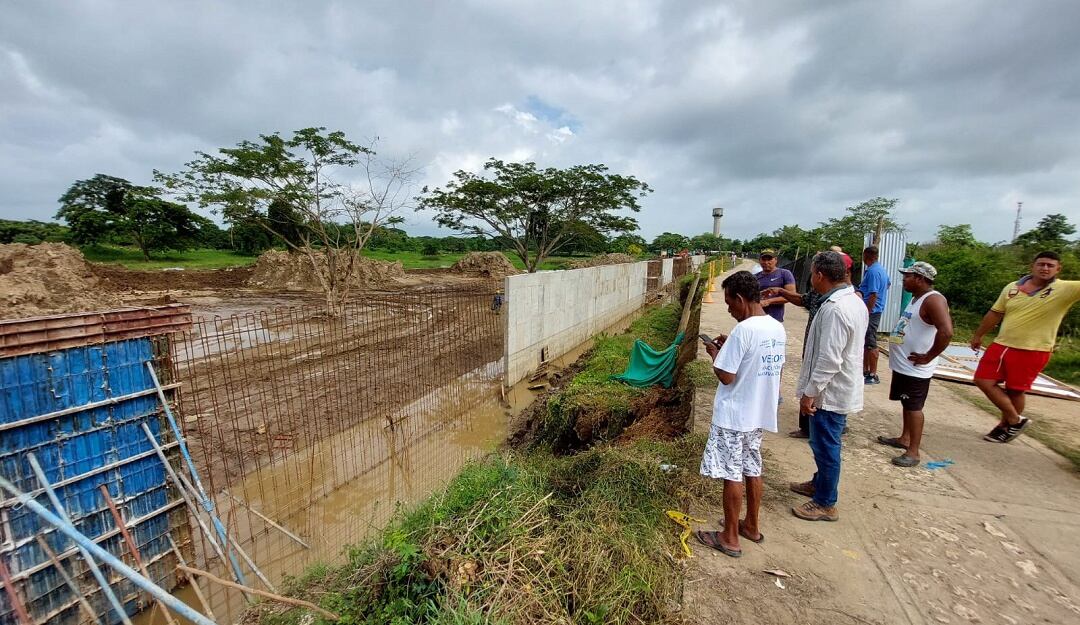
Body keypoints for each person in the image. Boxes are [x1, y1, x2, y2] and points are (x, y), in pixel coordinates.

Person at [696, 271, 787, 557]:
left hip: (735, 415)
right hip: (757, 413)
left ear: (739, 298)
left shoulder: (743, 331)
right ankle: (751, 526)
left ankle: (730, 537)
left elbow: (725, 375)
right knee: (752, 467)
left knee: (731, 473)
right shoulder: (775, 327)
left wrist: (714, 352)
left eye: (729, 303)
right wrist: (729, 350)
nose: (728, 309)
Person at [790, 251, 868, 522]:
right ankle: (819, 483)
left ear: (819, 275)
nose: (811, 278)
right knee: (823, 442)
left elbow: (829, 359)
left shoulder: (836, 308)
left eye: (812, 273)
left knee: (826, 445)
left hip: (830, 391)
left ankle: (825, 502)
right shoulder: (852, 301)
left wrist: (810, 393)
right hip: (837, 386)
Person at [970, 251, 1080, 443]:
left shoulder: (1065, 289)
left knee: (1015, 390)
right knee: (982, 380)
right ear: (1033, 266)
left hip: (1033, 349)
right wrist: (979, 335)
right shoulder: (1013, 287)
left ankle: (1005, 427)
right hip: (1002, 344)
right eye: (1041, 264)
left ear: (1057, 269)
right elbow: (995, 313)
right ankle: (1015, 420)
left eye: (1050, 265)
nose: (1045, 268)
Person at [876, 262, 953, 467]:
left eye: (908, 276)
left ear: (920, 278)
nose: (904, 280)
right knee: (906, 403)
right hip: (904, 365)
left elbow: (946, 332)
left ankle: (914, 452)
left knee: (914, 407)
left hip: (916, 369)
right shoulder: (916, 299)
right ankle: (905, 438)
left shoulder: (933, 300)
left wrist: (929, 356)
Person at [857, 246, 890, 384]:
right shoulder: (880, 269)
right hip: (875, 309)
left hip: (872, 311)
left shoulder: (873, 272)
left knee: (871, 342)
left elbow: (873, 294)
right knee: (865, 342)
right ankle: (865, 370)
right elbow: (888, 284)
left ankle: (873, 374)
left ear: (867, 256)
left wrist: (867, 311)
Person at [756, 249, 797, 322]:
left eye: (769, 259)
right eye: (763, 259)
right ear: (759, 260)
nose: (766, 262)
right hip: (756, 318)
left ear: (775, 260)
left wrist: (769, 301)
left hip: (774, 319)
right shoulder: (755, 277)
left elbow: (792, 296)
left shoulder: (784, 274)